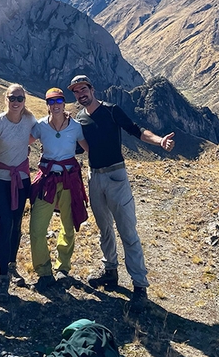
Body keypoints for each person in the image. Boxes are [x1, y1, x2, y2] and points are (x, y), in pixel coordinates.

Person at [68, 74, 175, 311]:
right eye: (76, 91)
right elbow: (75, 147)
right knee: (104, 229)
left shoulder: (111, 110)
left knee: (127, 230)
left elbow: (136, 131)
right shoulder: (79, 119)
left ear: (92, 89)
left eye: (83, 89)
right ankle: (110, 272)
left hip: (117, 176)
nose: (80, 94)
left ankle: (139, 286)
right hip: (95, 176)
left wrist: (159, 142)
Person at [29, 87, 89, 293]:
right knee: (36, 228)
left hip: (70, 178)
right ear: (47, 105)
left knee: (68, 225)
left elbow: (88, 147)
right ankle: (44, 271)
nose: (55, 105)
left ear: (64, 104)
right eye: (51, 102)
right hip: (47, 179)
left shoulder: (76, 127)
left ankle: (63, 267)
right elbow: (23, 141)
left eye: (59, 101)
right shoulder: (40, 126)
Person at [0, 83, 37, 303]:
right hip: (0, 180)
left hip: (22, 180)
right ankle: (3, 276)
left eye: (20, 98)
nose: (16, 102)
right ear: (5, 99)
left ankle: (12, 264)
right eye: (12, 98)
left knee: (17, 224)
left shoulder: (29, 120)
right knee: (5, 223)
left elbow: (40, 133)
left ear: (24, 100)